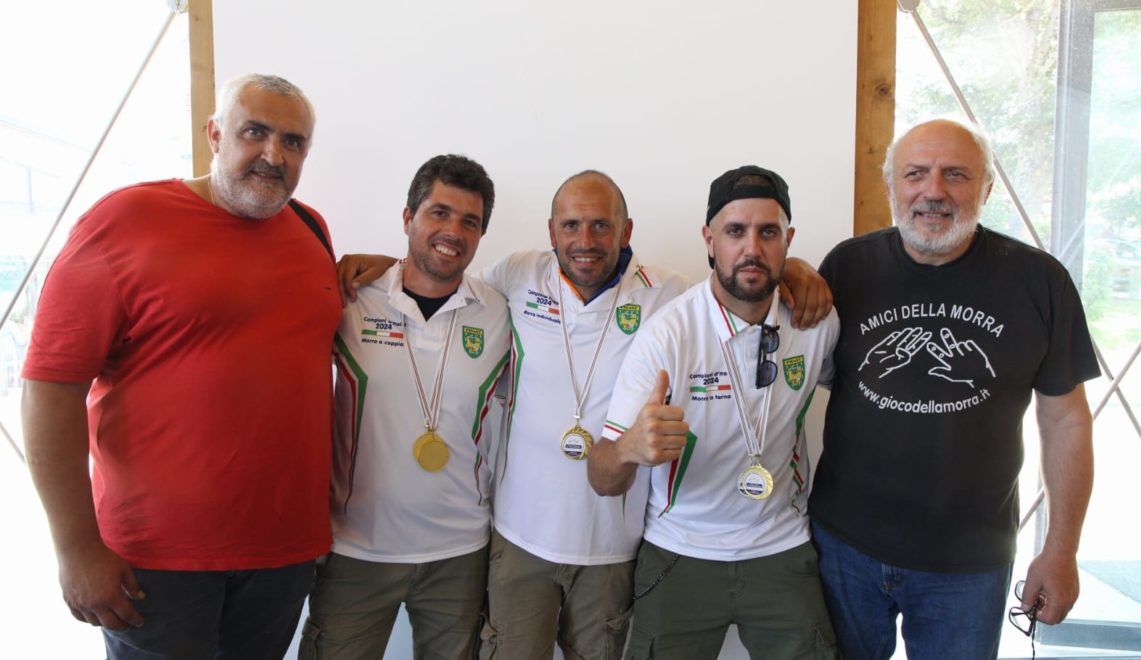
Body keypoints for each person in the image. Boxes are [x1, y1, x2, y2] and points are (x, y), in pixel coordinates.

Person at [338, 170, 832, 660]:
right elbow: (443, 278)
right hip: (519, 539)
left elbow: (734, 285)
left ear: (626, 231)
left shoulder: (666, 293)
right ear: (551, 232)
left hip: (612, 547)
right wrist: (390, 268)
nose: (585, 241)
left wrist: (793, 269)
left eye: (601, 225)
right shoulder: (516, 275)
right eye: (571, 225)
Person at [20, 74, 340, 660]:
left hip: (283, 555)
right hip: (156, 563)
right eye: (255, 132)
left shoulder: (311, 229)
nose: (273, 155)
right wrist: (75, 549)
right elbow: (50, 387)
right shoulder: (125, 220)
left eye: (292, 142)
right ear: (215, 134)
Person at [808, 118, 1099, 660]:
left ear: (986, 188)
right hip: (845, 547)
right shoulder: (846, 268)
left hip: (970, 564)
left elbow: (1066, 420)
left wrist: (1061, 551)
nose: (933, 190)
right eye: (915, 173)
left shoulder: (1039, 281)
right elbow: (799, 374)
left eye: (956, 175)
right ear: (891, 186)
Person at [588, 165, 841, 659]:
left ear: (788, 240)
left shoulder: (816, 322)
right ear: (709, 240)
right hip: (680, 552)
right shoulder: (667, 335)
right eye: (735, 231)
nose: (752, 248)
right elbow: (601, 477)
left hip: (781, 549)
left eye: (768, 233)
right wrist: (628, 450)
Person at [298, 155, 510, 659]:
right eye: (439, 213)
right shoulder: (351, 296)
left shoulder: (500, 310)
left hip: (461, 552)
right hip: (356, 548)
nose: (453, 231)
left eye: (470, 221)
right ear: (408, 217)